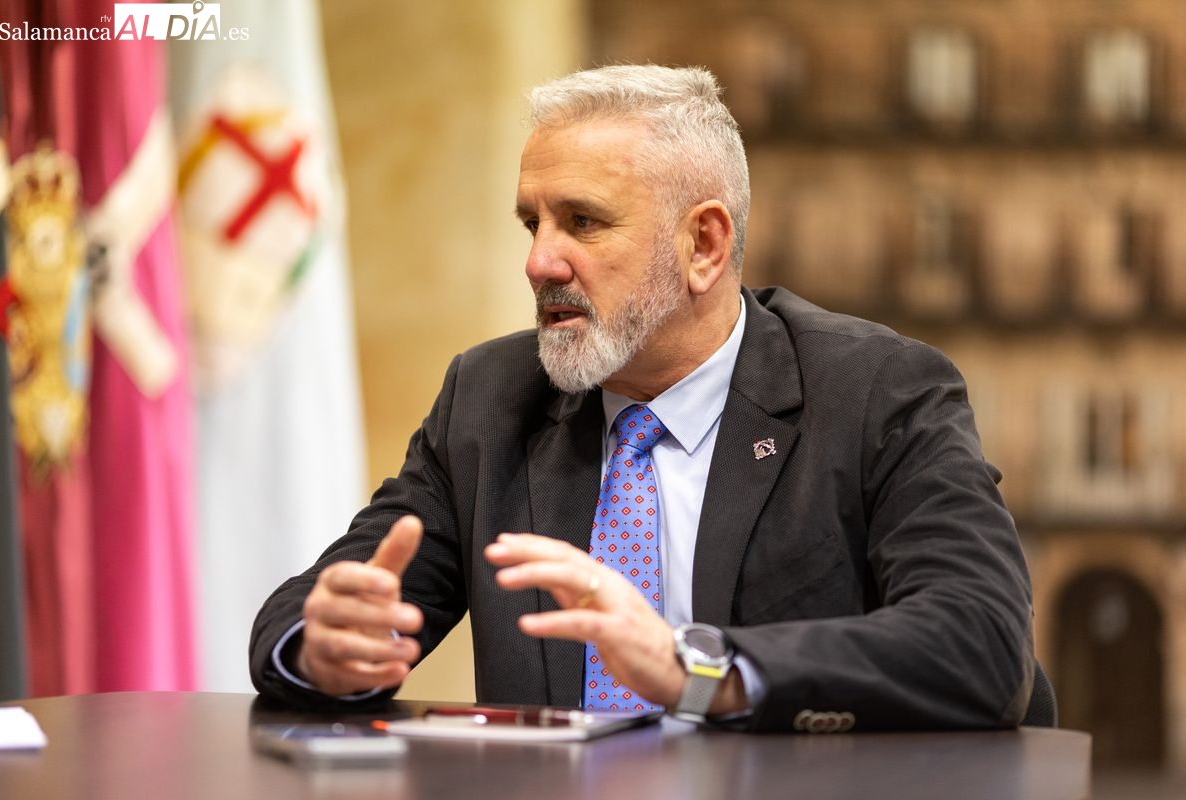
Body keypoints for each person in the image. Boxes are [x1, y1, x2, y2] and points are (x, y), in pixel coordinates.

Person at [249, 64, 1037, 731]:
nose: (539, 262)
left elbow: (982, 636)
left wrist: (698, 669)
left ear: (704, 244)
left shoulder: (874, 391)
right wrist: (323, 646)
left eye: (582, 222)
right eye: (531, 223)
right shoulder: (489, 399)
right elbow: (302, 616)